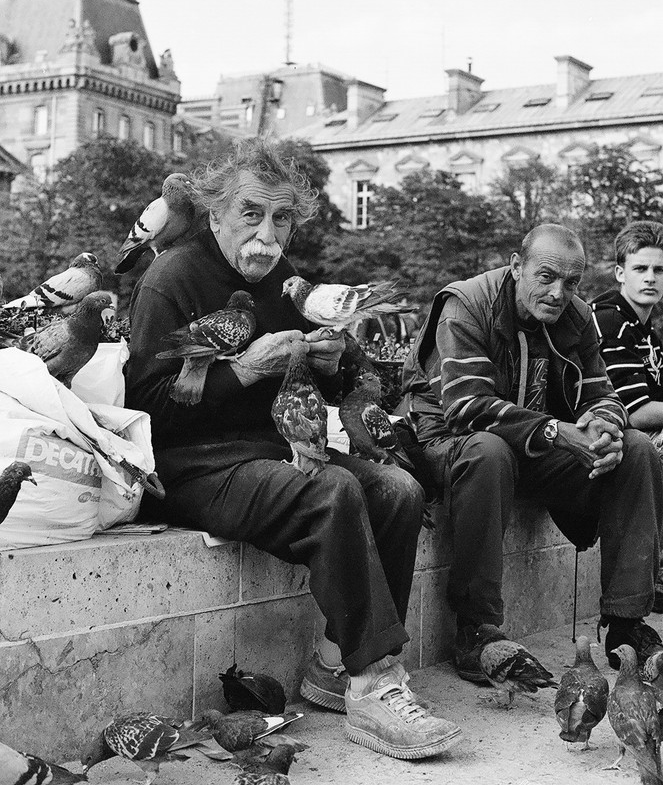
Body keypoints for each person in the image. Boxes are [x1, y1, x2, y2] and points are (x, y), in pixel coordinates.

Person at [125, 137, 461, 760]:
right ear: (217, 212)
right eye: (252, 214)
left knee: (398, 488)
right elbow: (148, 410)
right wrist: (245, 370)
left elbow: (314, 383)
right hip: (193, 463)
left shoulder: (284, 280)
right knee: (331, 490)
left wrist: (332, 364)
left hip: (270, 451)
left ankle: (335, 666)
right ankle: (375, 683)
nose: (268, 233)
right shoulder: (171, 276)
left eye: (281, 218)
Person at [401, 223, 663, 681]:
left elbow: (604, 393)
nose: (559, 293)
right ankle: (476, 630)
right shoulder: (465, 304)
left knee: (637, 449)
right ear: (517, 266)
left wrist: (602, 425)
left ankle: (625, 622)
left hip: (532, 445)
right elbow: (467, 406)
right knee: (488, 450)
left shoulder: (576, 316)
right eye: (546, 277)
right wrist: (558, 432)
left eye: (572, 282)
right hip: (451, 442)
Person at [591, 220, 663, 610]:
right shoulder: (610, 321)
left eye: (659, 269)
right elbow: (636, 413)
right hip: (598, 440)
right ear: (621, 273)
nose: (650, 278)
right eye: (640, 269)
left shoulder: (648, 331)